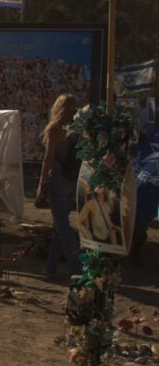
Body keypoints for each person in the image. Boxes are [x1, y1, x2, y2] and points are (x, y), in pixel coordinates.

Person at [36, 93, 82, 276]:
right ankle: (50, 267)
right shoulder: (78, 128)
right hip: (72, 180)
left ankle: (78, 268)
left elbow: (48, 158)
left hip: (58, 178)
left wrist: (41, 183)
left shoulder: (55, 128)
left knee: (62, 227)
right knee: (58, 227)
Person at [77, 183, 121, 248]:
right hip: (96, 241)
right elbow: (78, 221)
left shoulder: (108, 204)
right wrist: (84, 237)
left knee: (113, 232)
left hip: (108, 240)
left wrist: (114, 226)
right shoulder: (91, 204)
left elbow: (108, 220)